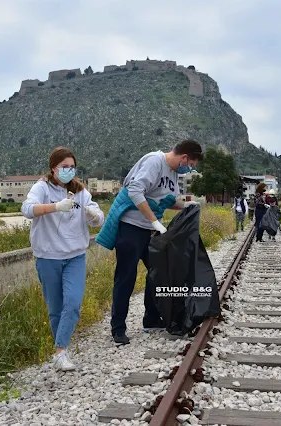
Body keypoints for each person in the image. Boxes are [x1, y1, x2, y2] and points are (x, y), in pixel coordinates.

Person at [95, 139, 203, 345]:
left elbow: (167, 201)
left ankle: (151, 318)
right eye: (191, 165)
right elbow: (135, 191)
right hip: (130, 228)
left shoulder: (174, 174)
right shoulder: (155, 162)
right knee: (126, 277)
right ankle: (118, 328)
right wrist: (154, 221)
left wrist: (188, 205)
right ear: (184, 158)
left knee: (158, 273)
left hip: (150, 231)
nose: (189, 169)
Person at [21, 147, 105, 371]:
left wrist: (94, 215)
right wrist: (55, 207)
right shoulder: (42, 188)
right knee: (56, 306)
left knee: (73, 302)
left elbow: (98, 218)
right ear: (53, 168)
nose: (68, 171)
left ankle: (60, 348)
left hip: (75, 255)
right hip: (48, 256)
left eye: (71, 167)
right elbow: (27, 209)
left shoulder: (80, 191)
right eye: (64, 167)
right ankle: (62, 354)